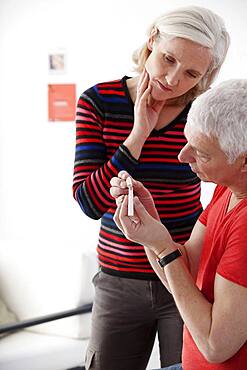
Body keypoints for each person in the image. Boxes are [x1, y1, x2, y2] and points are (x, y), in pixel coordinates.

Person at [72, 6, 229, 370]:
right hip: (118, 280)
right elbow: (89, 202)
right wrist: (138, 135)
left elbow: (231, 188)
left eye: (191, 72)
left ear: (207, 75)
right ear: (152, 41)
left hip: (187, 275)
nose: (173, 79)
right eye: (168, 59)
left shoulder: (203, 113)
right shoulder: (98, 102)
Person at [113, 79, 247, 369]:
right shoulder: (228, 188)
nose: (182, 156)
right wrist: (151, 232)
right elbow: (182, 275)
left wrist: (162, 246)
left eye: (201, 152)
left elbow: (215, 346)